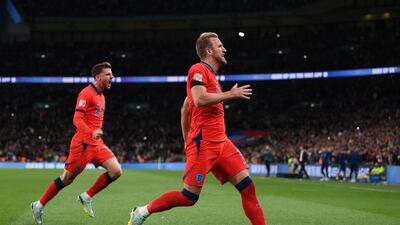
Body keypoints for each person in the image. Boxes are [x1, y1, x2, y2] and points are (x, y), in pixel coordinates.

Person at [128, 32, 266, 225]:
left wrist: (186, 139)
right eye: (220, 46)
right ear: (209, 51)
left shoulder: (212, 77)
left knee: (248, 188)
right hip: (204, 143)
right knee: (189, 197)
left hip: (222, 142)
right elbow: (199, 100)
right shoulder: (198, 69)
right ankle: (143, 211)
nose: (224, 49)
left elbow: (185, 108)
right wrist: (231, 94)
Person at [31, 62, 122, 224]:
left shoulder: (102, 96)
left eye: (112, 74)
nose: (112, 77)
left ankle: (86, 196)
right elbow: (77, 119)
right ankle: (39, 205)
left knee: (116, 171)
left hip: (97, 144)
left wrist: (95, 135)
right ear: (98, 77)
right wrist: (91, 133)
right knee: (67, 178)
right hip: (83, 144)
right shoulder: (86, 93)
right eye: (108, 74)